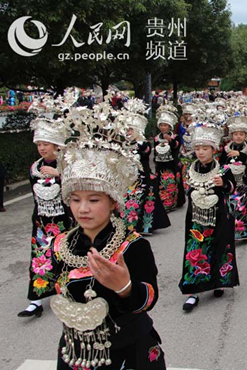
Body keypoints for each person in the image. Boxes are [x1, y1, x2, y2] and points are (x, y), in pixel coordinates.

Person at [51, 101, 166, 369]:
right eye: (75, 199)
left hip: (127, 349)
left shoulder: (133, 245)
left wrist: (125, 287)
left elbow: (149, 297)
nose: (83, 209)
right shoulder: (61, 244)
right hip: (75, 351)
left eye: (93, 199)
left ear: (113, 202)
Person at [179, 124, 239, 312]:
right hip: (196, 218)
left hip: (219, 217)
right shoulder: (190, 168)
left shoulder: (223, 169)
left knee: (219, 247)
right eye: (197, 149)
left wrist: (225, 184)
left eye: (205, 148)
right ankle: (192, 291)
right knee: (195, 249)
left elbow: (233, 188)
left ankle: (218, 282)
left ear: (214, 149)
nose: (201, 152)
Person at [18, 117, 73, 318]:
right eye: (39, 144)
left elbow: (76, 187)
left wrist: (59, 174)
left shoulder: (68, 163)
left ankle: (69, 290)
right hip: (42, 221)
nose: (42, 148)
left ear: (56, 145)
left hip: (65, 220)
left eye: (46, 144)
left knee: (66, 255)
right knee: (40, 258)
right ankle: (36, 300)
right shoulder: (35, 167)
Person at [122, 104, 171, 235]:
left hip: (142, 176)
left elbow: (144, 153)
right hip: (127, 178)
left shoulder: (143, 144)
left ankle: (145, 226)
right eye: (126, 130)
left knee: (146, 200)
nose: (128, 133)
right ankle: (128, 226)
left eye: (131, 130)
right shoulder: (123, 145)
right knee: (128, 201)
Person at [154, 104, 182, 212]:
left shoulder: (175, 137)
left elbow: (177, 147)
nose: (163, 127)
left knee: (171, 184)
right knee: (161, 185)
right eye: (161, 125)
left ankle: (171, 203)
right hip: (160, 165)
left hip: (171, 165)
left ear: (170, 126)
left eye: (165, 125)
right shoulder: (157, 138)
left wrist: (170, 140)